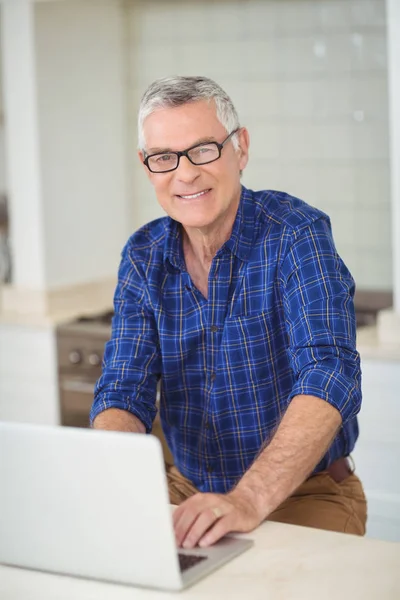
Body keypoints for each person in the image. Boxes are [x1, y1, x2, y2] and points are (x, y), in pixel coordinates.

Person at [91, 75, 367, 549]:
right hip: (188, 491)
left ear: (240, 148)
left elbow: (329, 373)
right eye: (165, 158)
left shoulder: (295, 235)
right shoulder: (142, 255)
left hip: (306, 493)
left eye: (203, 150)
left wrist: (247, 500)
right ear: (147, 166)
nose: (185, 174)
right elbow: (123, 388)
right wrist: (117, 486)